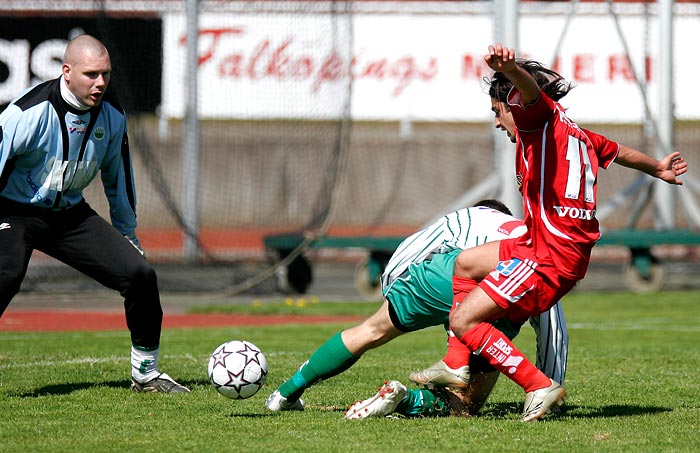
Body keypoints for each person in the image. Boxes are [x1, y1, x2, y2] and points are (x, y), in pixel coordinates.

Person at [443, 44, 687, 422]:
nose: (496, 122)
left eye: (497, 112)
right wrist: (658, 167)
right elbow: (619, 151)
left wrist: (509, 70)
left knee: (463, 321)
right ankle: (455, 365)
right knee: (467, 262)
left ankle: (537, 384)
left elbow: (530, 94)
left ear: (513, 104)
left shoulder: (536, 120)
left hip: (549, 255)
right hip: (546, 247)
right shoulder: (575, 133)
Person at [0, 35, 188, 393]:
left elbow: (119, 180)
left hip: (69, 216)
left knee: (140, 275)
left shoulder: (113, 117)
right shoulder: (25, 114)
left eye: (106, 74)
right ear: (66, 72)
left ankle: (146, 375)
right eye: (91, 74)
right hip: (13, 211)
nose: (100, 83)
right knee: (5, 273)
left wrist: (129, 237)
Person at [265, 199, 568, 418]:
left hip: (444, 278)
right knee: (467, 402)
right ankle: (408, 400)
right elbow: (552, 325)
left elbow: (416, 246)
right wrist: (555, 383)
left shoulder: (464, 217)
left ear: (481, 208)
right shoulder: (528, 235)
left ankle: (285, 394)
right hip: (503, 293)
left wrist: (392, 291)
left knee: (370, 330)